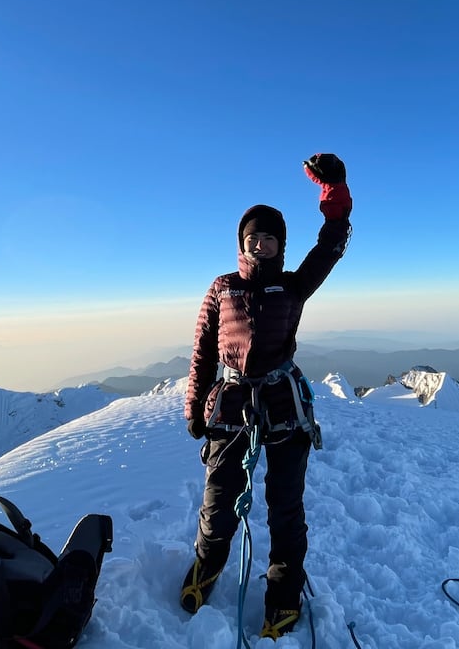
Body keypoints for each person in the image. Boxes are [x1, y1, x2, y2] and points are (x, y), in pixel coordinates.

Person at [179, 152, 352, 639]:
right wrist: (194, 406)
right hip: (232, 402)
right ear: (242, 242)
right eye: (253, 236)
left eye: (269, 237)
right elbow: (201, 354)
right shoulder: (222, 288)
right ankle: (206, 566)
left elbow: (331, 245)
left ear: (280, 244)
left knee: (284, 507)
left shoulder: (293, 286)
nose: (260, 243)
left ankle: (283, 596)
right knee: (219, 498)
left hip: (281, 402)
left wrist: (333, 194)